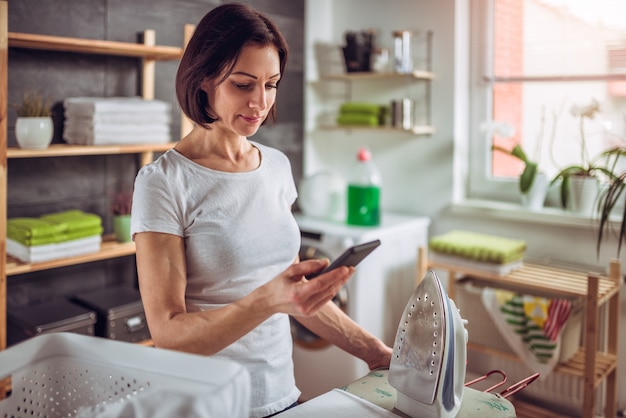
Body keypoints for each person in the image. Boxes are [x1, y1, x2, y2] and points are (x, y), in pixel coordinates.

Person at [130, 3, 392, 417]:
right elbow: (168, 334)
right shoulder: (163, 182)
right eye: (243, 84)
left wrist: (377, 353)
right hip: (208, 406)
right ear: (203, 80)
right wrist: (267, 301)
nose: (260, 102)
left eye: (271, 85)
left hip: (281, 396)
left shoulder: (276, 166)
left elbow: (293, 298)